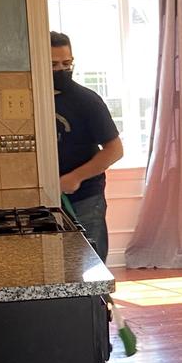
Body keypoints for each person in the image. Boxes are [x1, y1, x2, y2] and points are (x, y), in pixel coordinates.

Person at [50, 31, 123, 260]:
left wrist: (76, 177)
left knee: (92, 265)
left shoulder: (87, 101)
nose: (61, 70)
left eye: (66, 63)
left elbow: (115, 150)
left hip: (85, 200)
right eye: (53, 65)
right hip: (45, 200)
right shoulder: (30, 99)